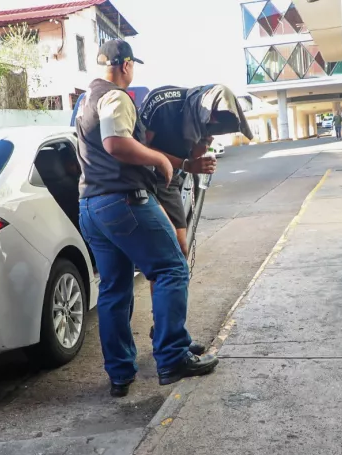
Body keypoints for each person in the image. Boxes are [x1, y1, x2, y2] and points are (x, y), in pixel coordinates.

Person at [76, 40, 218, 399]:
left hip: (91, 206)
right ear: (124, 66)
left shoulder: (84, 101)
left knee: (114, 289)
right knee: (171, 268)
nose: (132, 71)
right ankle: (172, 357)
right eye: (131, 65)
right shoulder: (115, 97)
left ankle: (120, 374)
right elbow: (115, 143)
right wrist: (159, 159)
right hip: (123, 201)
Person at [139, 86, 219, 351]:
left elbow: (194, 155)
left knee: (177, 256)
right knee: (170, 259)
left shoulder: (206, 116)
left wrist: (201, 158)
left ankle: (168, 330)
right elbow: (142, 148)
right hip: (152, 177)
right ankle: (166, 335)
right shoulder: (164, 105)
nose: (205, 140)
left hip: (174, 179)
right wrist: (187, 164)